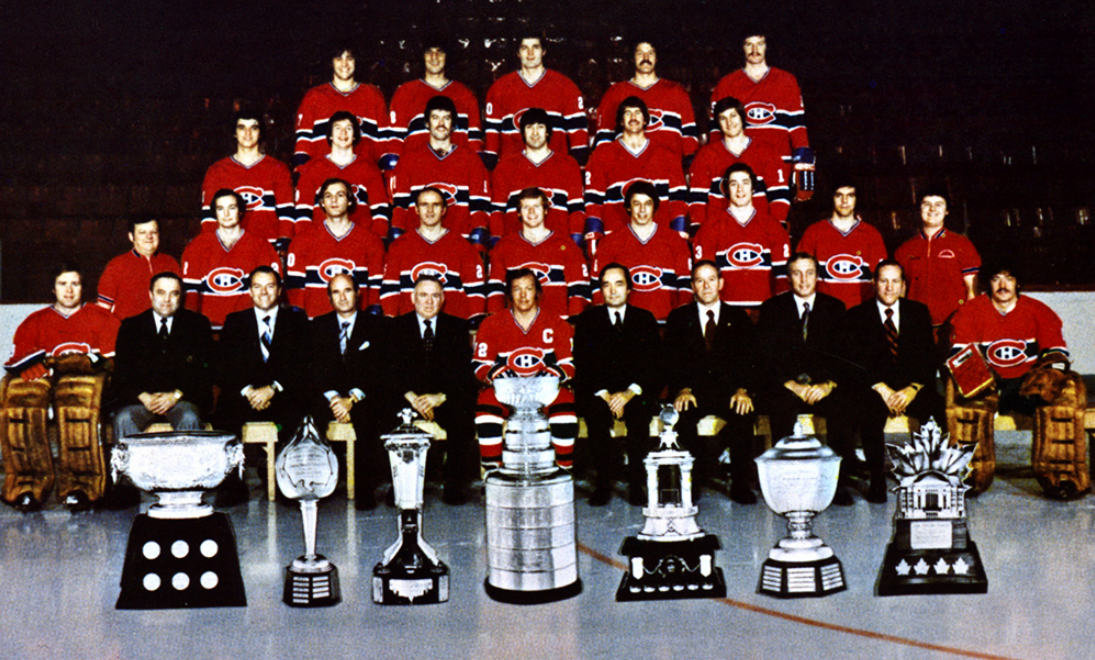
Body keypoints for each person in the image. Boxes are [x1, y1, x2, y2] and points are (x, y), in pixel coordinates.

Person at [948, 260, 1083, 498]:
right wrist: (984, 379)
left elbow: (1057, 352)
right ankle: (968, 475)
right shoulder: (970, 311)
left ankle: (1062, 478)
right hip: (989, 385)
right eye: (996, 279)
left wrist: (1049, 374)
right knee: (966, 407)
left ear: (1018, 282)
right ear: (988, 283)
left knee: (1062, 404)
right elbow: (960, 356)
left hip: (1027, 385)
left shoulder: (1039, 310)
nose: (1003, 285)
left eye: (1009, 278)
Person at [0, 263, 120, 512]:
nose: (69, 290)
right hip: (47, 384)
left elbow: (111, 363)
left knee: (77, 397)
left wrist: (77, 364)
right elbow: (18, 361)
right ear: (53, 289)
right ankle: (26, 485)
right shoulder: (35, 322)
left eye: (75, 284)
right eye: (63, 284)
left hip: (83, 387)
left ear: (83, 288)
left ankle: (82, 486)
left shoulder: (103, 318)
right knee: (21, 400)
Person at [755, 252, 853, 504]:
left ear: (817, 276)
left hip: (822, 386)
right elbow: (764, 357)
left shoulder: (835, 308)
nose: (803, 279)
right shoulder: (772, 308)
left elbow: (845, 356)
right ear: (788, 278)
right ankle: (784, 483)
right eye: (797, 273)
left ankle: (838, 484)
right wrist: (792, 385)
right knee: (780, 406)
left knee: (842, 407)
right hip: (786, 386)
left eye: (809, 273)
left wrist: (828, 385)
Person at [842, 260, 943, 503]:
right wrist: (882, 389)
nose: (889, 287)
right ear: (874, 283)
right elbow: (853, 362)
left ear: (903, 285)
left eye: (895, 281)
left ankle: (934, 475)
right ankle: (877, 479)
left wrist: (913, 389)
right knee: (868, 412)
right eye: (884, 281)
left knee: (938, 408)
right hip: (876, 388)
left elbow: (928, 357)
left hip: (911, 387)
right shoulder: (856, 315)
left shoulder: (918, 312)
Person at [664, 261, 758, 504]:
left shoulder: (738, 317)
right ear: (692, 286)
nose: (706, 286)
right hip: (692, 392)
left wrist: (743, 390)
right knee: (684, 416)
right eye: (700, 280)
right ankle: (691, 483)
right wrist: (682, 389)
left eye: (711, 280)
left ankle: (740, 484)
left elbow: (750, 359)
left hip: (729, 392)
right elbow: (670, 361)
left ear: (721, 283)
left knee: (744, 414)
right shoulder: (678, 318)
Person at [215, 267, 310, 504]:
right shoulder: (235, 321)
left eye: (270, 286)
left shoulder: (296, 321)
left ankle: (285, 482)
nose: (264, 292)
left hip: (281, 394)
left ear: (279, 290)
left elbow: (303, 366)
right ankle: (232, 485)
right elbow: (222, 366)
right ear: (249, 291)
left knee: (297, 411)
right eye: (257, 287)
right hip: (245, 396)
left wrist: (272, 388)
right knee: (224, 412)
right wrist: (248, 391)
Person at [573, 264, 661, 505]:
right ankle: (603, 483)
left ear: (629, 289)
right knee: (595, 414)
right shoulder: (588, 320)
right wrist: (606, 394)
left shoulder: (644, 319)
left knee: (640, 414)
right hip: (600, 392)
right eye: (607, 285)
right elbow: (583, 362)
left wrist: (628, 394)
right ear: (601, 290)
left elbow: (653, 363)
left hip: (634, 391)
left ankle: (636, 483)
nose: (613, 291)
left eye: (619, 284)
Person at [384, 276, 477, 505]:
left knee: (463, 414)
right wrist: (413, 398)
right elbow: (389, 371)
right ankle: (399, 483)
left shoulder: (457, 327)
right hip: (408, 398)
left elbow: (465, 373)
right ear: (413, 298)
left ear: (443, 299)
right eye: (423, 295)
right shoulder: (396, 327)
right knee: (384, 410)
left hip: (443, 398)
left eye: (435, 296)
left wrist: (439, 398)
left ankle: (453, 483)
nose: (428, 301)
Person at [473, 269, 577, 468]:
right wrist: (495, 373)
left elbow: (569, 364)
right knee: (486, 402)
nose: (523, 295)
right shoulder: (491, 323)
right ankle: (492, 470)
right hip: (506, 392)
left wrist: (554, 373)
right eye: (517, 289)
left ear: (537, 292)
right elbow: (480, 365)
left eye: (528, 289)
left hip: (545, 391)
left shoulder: (557, 323)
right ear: (509, 294)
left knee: (565, 401)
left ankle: (564, 468)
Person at [308, 273, 388, 509]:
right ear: (329, 297)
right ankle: (316, 484)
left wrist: (352, 399)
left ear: (358, 293)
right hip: (329, 396)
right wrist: (334, 398)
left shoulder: (376, 325)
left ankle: (364, 488)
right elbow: (314, 368)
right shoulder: (318, 326)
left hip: (361, 395)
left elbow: (379, 369)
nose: (342, 297)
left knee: (368, 416)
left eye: (347, 290)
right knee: (311, 414)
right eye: (336, 292)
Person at [709, 30, 814, 199]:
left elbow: (798, 129)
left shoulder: (787, 81)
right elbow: (716, 133)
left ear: (766, 46)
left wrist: (803, 169)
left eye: (759, 44)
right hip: (741, 170)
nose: (754, 50)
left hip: (779, 167)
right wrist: (717, 170)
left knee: (779, 214)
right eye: (749, 44)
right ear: (742, 47)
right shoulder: (726, 84)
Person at [110, 272, 214, 439]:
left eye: (174, 294)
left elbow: (205, 372)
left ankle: (186, 458)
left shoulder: (197, 324)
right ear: (150, 294)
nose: (167, 299)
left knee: (189, 417)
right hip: (142, 402)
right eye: (161, 293)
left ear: (181, 296)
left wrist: (175, 396)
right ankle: (129, 459)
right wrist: (144, 397)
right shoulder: (131, 326)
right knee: (124, 419)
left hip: (182, 400)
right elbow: (122, 374)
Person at [583, 96, 689, 252]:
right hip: (617, 241)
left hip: (659, 242)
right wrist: (595, 239)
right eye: (627, 113)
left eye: (638, 113)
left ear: (646, 120)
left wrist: (678, 239)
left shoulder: (667, 156)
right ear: (620, 121)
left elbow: (678, 202)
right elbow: (593, 203)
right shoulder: (602, 155)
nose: (633, 117)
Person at [389, 95, 491, 249]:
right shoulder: (408, 160)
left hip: (458, 247)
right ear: (426, 123)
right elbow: (400, 211)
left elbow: (479, 212)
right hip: (417, 248)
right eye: (435, 118)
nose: (441, 124)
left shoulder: (471, 160)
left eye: (446, 118)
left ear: (453, 124)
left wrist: (475, 250)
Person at [591, 181, 692, 322]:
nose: (642, 210)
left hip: (666, 323)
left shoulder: (675, 241)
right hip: (625, 326)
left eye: (647, 204)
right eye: (636, 204)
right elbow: (598, 288)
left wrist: (680, 320)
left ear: (655, 206)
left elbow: (685, 286)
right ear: (628, 207)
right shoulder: (609, 242)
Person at [693, 163, 789, 310]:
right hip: (726, 313)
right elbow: (704, 279)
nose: (740, 189)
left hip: (764, 311)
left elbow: (782, 278)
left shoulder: (773, 226)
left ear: (753, 188)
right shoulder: (710, 227)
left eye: (745, 183)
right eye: (734, 184)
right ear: (726, 189)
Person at [182, 188, 281, 331]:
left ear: (240, 211)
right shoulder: (197, 247)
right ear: (214, 213)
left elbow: (270, 295)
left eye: (232, 208)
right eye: (220, 209)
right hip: (208, 330)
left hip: (247, 330)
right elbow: (190, 297)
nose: (226, 214)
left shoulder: (261, 246)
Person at [381, 187, 487, 320]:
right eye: (424, 205)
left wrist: (472, 325)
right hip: (409, 326)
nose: (430, 210)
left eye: (435, 205)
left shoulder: (463, 247)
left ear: (444, 210)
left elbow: (476, 294)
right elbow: (390, 291)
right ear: (416, 209)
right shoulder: (399, 247)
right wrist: (390, 323)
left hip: (452, 325)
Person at [483, 33, 588, 168]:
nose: (530, 53)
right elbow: (491, 146)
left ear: (544, 51)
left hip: (554, 170)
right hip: (512, 171)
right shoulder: (499, 88)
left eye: (536, 47)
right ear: (518, 53)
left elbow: (579, 144)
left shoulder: (566, 87)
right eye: (524, 48)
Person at [285, 178, 385, 318]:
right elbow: (296, 291)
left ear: (349, 201)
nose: (334, 200)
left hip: (356, 322)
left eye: (340, 195)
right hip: (315, 322)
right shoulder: (302, 240)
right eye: (328, 196)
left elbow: (376, 287)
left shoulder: (370, 240)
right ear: (322, 203)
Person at [200, 107, 295, 251]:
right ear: (234, 133)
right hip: (231, 249)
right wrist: (215, 248)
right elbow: (209, 218)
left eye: (254, 128)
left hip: (267, 248)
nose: (248, 133)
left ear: (260, 133)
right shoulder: (217, 171)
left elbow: (286, 215)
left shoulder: (278, 169)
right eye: (242, 128)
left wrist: (282, 246)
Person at [486, 187, 590, 319]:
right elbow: (495, 294)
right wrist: (498, 324)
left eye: (536, 206)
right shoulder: (503, 247)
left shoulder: (567, 246)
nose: (531, 212)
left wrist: (571, 325)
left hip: (557, 323)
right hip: (518, 325)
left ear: (545, 210)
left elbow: (578, 293)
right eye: (526, 207)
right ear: (518, 213)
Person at [689, 96, 790, 231]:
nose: (729, 123)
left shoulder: (766, 151)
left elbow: (779, 195)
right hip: (719, 229)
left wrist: (775, 226)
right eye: (723, 118)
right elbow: (697, 199)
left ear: (742, 117)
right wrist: (700, 229)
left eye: (733, 116)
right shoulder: (706, 155)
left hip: (759, 227)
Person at [490, 107, 585, 245]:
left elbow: (576, 211)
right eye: (529, 127)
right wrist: (498, 243)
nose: (535, 132)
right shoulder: (505, 166)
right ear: (523, 132)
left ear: (547, 131)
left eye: (540, 127)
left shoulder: (568, 164)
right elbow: (497, 212)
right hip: (516, 247)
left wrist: (573, 243)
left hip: (558, 246)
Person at [594, 39, 699, 162]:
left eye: (650, 53)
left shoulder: (677, 92)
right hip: (627, 167)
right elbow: (604, 139)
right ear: (633, 58)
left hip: (668, 167)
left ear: (657, 58)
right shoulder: (615, 93)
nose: (645, 58)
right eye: (640, 53)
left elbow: (689, 138)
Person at [293, 46, 392, 173]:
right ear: (331, 62)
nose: (344, 63)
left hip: (363, 176)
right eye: (339, 58)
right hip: (324, 177)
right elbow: (303, 146)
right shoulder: (314, 97)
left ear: (356, 61)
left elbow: (384, 146)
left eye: (349, 58)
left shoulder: (373, 95)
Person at [294, 110, 391, 240]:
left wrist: (375, 241)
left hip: (361, 241)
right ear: (330, 135)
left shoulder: (369, 168)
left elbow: (380, 213)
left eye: (348, 128)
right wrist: (306, 242)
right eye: (338, 128)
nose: (343, 133)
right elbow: (303, 214)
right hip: (321, 242)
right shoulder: (312, 168)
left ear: (355, 135)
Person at [895, 186, 980, 331]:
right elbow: (899, 290)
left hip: (953, 326)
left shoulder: (962, 244)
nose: (932, 209)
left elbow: (971, 288)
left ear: (947, 211)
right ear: (919, 209)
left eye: (938, 204)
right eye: (926, 204)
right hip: (917, 326)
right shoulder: (905, 249)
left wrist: (969, 321)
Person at [389, 36, 483, 163]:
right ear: (422, 56)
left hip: (457, 168)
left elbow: (475, 144)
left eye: (440, 52)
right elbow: (395, 144)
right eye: (429, 52)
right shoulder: (405, 92)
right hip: (418, 169)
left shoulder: (465, 94)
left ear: (447, 56)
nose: (434, 57)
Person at [796, 179, 887, 310]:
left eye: (850, 195)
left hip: (861, 312)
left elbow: (882, 280)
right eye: (839, 195)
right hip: (824, 312)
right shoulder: (814, 232)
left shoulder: (872, 235)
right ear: (832, 198)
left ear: (856, 199)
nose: (844, 201)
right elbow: (799, 275)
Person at [97, 217, 182, 320]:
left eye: (153, 232)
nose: (149, 237)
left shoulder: (171, 263)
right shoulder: (116, 265)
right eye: (142, 232)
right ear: (131, 237)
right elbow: (103, 311)